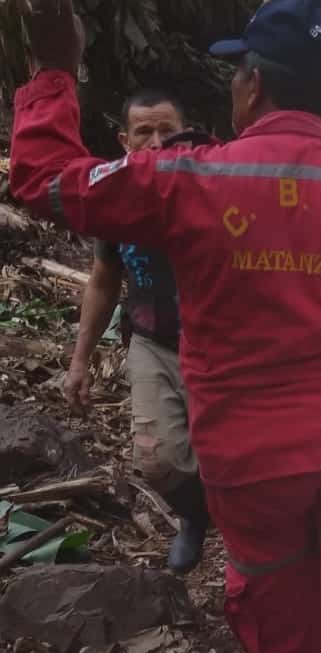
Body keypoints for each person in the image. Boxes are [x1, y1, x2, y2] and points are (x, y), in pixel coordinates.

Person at [10, 1, 321, 653]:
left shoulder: (187, 181)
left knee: (282, 628)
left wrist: (53, 70)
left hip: (253, 466)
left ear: (254, 87)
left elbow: (42, 181)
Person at [65, 89, 210, 575]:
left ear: (185, 134)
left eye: (166, 130)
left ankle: (248, 545)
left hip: (216, 343)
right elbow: (104, 280)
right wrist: (80, 360)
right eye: (143, 132)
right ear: (124, 141)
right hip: (151, 340)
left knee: (232, 455)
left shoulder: (213, 187)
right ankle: (195, 519)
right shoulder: (114, 200)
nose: (155, 142)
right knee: (158, 460)